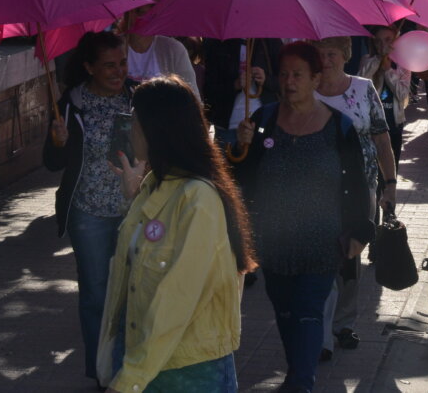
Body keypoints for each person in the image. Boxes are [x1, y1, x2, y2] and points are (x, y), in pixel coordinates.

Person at [97, 76, 256, 393]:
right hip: (142, 359)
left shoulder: (198, 199)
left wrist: (129, 379)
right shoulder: (154, 186)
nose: (130, 130)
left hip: (189, 373)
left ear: (157, 129)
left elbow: (177, 298)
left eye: (135, 121)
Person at [233, 42, 374, 393]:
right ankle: (298, 372)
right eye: (284, 75)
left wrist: (359, 232)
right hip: (274, 239)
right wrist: (241, 147)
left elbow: (357, 184)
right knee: (284, 312)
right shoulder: (262, 120)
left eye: (298, 75)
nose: (289, 81)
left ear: (315, 78)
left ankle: (300, 383)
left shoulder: (338, 126)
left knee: (310, 311)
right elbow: (240, 179)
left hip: (322, 240)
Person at [44, 31, 134, 386]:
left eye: (123, 63)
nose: (118, 72)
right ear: (89, 68)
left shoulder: (139, 96)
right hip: (88, 213)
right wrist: (58, 142)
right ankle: (102, 371)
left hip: (135, 210)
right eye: (109, 65)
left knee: (132, 291)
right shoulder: (71, 103)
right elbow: (52, 163)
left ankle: (129, 367)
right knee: (96, 293)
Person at [312, 36, 396, 358]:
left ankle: (343, 323)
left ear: (346, 55)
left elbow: (381, 137)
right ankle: (321, 332)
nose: (325, 60)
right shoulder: (307, 89)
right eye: (319, 53)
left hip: (361, 188)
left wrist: (390, 184)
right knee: (322, 257)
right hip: (318, 189)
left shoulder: (362, 89)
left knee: (350, 255)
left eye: (331, 53)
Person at [202, 38, 280, 147]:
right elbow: (209, 89)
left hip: (263, 125)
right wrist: (235, 85)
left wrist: (266, 79)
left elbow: (283, 83)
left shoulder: (269, 41)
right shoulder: (220, 44)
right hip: (227, 126)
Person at [121, 0, 200, 96]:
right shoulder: (113, 46)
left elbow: (192, 96)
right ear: (127, 13)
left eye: (150, 14)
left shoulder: (173, 49)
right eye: (138, 11)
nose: (143, 18)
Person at [358, 26, 412, 169]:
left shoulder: (403, 65)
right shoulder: (367, 60)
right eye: (379, 41)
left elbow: (402, 94)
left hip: (393, 123)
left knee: (391, 167)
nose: (383, 45)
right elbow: (361, 83)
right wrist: (378, 61)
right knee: (372, 166)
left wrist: (388, 70)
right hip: (372, 123)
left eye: (388, 40)